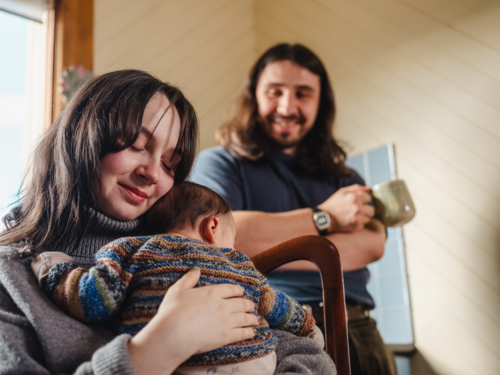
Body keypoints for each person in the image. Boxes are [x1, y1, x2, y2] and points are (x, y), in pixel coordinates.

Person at [0, 69, 335, 375]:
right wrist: (157, 348)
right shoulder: (13, 275)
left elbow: (310, 359)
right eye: (135, 144)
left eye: (170, 164)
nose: (152, 173)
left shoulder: (190, 259)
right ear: (81, 136)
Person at [189, 44, 397, 375]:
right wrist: (327, 218)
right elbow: (216, 237)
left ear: (320, 103)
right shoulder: (220, 163)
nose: (287, 106)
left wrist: (266, 245)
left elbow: (372, 245)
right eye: (275, 92)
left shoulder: (345, 177)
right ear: (254, 95)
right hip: (277, 333)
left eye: (303, 93)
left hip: (362, 335)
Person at [32, 182, 324, 375]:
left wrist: (55, 267)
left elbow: (92, 298)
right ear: (212, 226)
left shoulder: (132, 250)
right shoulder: (237, 262)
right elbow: (276, 305)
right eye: (232, 238)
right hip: (255, 361)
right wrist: (308, 326)